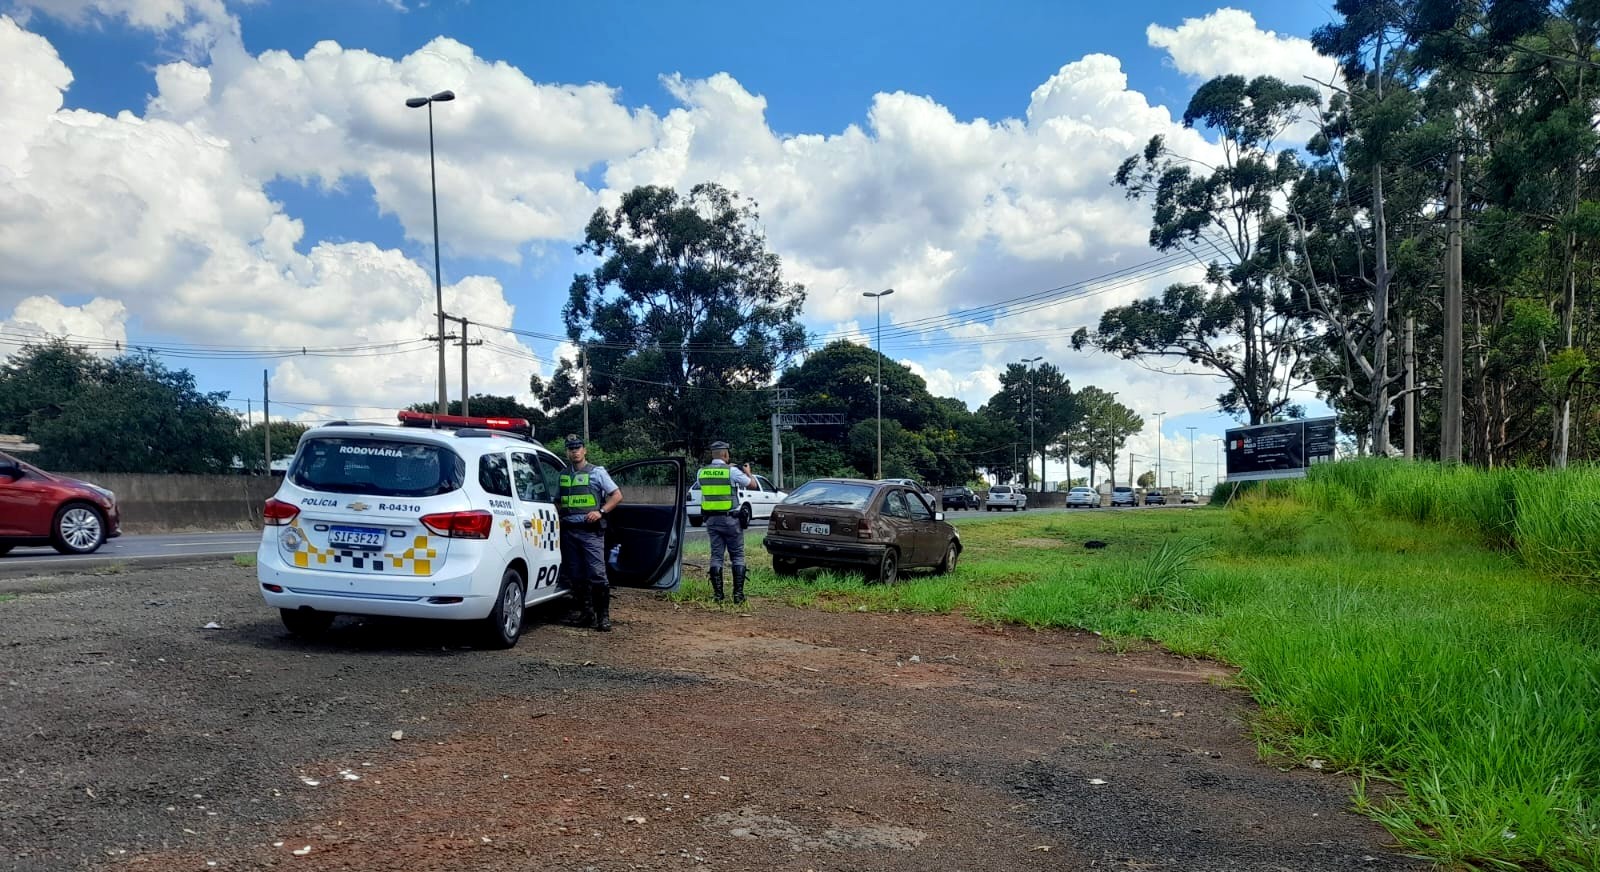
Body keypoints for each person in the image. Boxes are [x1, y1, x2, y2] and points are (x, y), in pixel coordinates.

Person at [558, 434, 623, 631]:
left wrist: (601, 511)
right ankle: (586, 614)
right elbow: (558, 501)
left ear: (584, 450)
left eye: (578, 448)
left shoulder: (597, 472)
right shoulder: (563, 474)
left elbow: (617, 495)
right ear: (567, 452)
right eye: (571, 448)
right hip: (569, 531)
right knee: (576, 575)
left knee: (597, 574)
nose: (574, 451)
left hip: (590, 532)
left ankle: (603, 618)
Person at [697, 441, 752, 604]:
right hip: (731, 520)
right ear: (725, 454)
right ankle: (738, 595)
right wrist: (748, 472)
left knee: (716, 556)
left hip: (712, 520)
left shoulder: (701, 472)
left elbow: (703, 487)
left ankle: (718, 595)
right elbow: (752, 484)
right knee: (737, 555)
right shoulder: (732, 471)